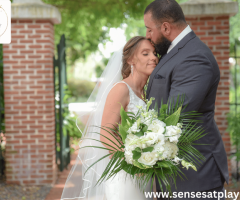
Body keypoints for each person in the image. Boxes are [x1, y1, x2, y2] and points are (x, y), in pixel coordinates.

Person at [143, 0, 229, 199]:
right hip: (176, 173)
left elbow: (175, 114)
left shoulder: (194, 57)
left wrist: (139, 140)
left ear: (165, 27)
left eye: (149, 29)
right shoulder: (173, 52)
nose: (148, 35)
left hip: (195, 174)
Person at [61, 36, 159, 200]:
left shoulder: (147, 93)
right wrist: (135, 164)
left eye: (154, 53)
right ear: (131, 60)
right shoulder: (121, 89)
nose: (153, 57)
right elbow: (105, 133)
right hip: (125, 174)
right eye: (145, 53)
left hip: (146, 173)